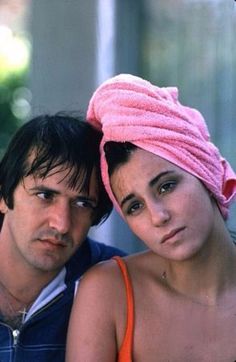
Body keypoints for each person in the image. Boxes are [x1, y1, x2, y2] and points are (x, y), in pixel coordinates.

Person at [66, 74, 236, 361]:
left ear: (206, 174)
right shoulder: (109, 292)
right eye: (134, 207)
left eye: (166, 186)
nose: (158, 216)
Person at [0, 112, 125, 361]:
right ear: (4, 197)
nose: (62, 224)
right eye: (45, 196)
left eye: (82, 203)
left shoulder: (119, 281)